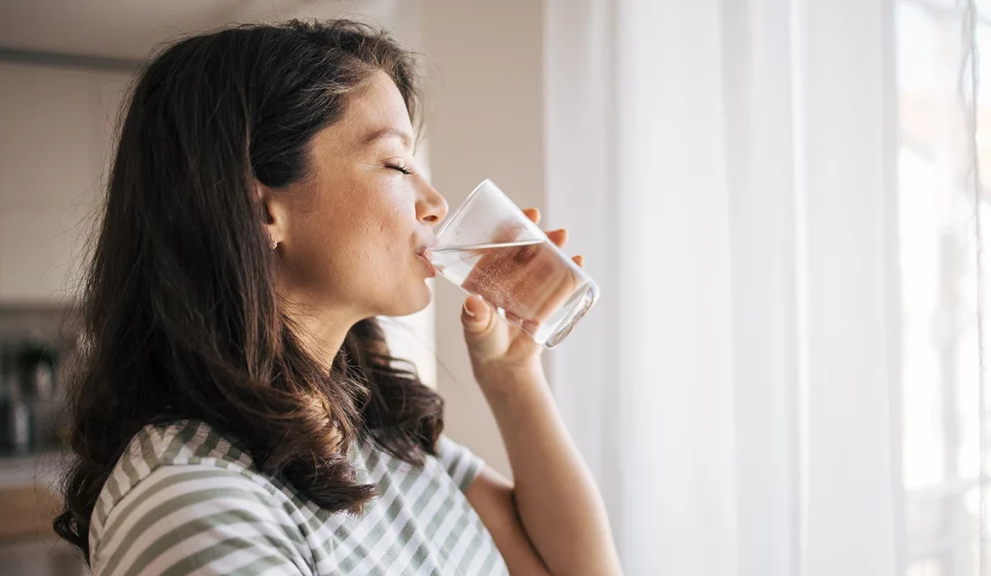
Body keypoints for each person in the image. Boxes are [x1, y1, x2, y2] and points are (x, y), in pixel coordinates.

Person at [53, 19, 621, 576]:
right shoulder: (192, 503)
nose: (436, 204)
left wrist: (511, 376)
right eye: (396, 163)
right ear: (263, 211)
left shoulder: (375, 430)